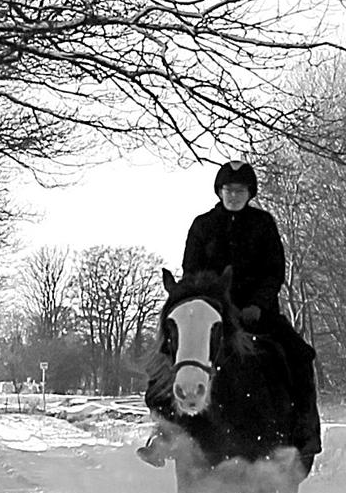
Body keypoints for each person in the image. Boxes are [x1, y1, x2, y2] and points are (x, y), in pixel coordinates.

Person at [137, 160, 322, 475]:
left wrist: (258, 305)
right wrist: (206, 304)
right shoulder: (202, 225)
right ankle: (164, 432)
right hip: (210, 314)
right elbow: (191, 272)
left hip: (256, 315)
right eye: (228, 190)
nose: (234, 195)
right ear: (219, 191)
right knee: (168, 357)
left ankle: (305, 435)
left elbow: (274, 271)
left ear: (249, 193)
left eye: (240, 190)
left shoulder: (263, 224)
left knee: (300, 356)